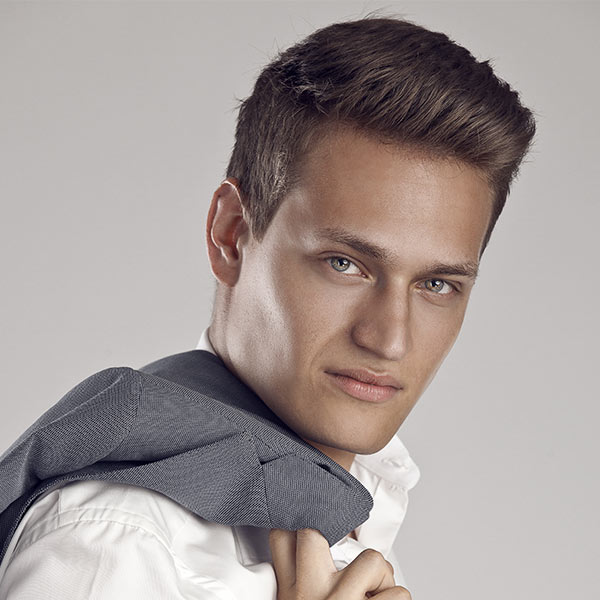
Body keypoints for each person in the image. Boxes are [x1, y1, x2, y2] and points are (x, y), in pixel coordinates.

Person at [0, 16, 535, 600]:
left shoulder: (352, 504)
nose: (389, 340)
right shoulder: (118, 546)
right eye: (344, 263)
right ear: (231, 234)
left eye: (436, 284)